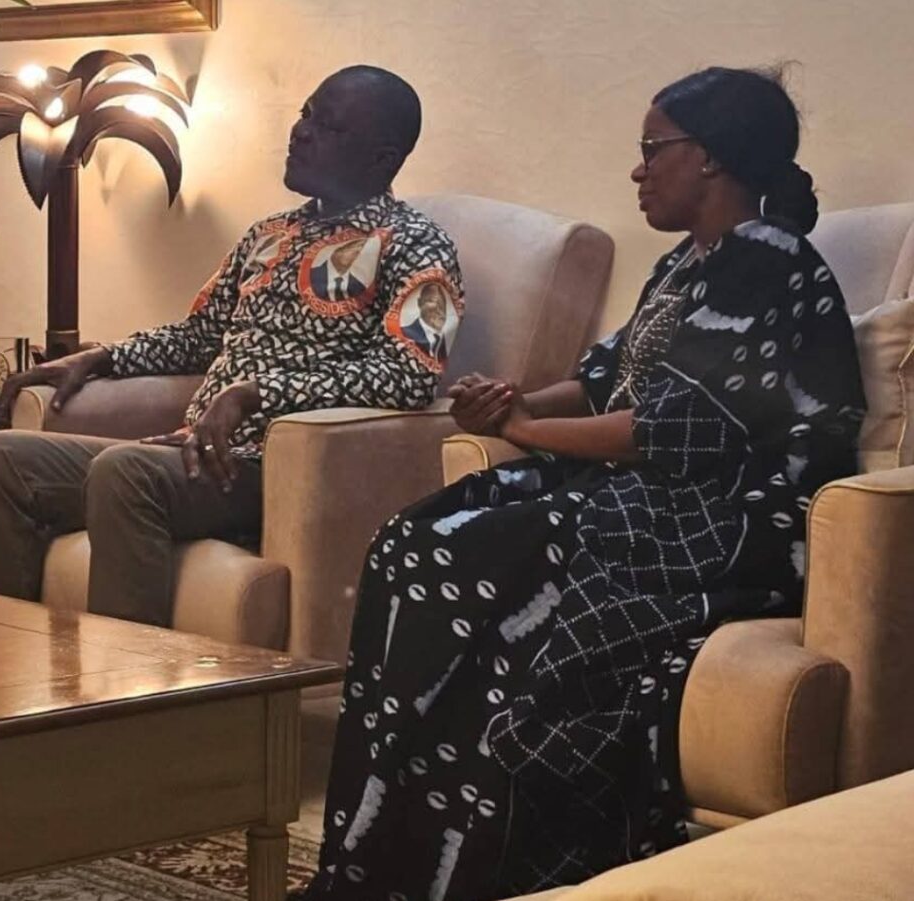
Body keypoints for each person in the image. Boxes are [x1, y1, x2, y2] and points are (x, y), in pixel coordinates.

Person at [302, 67, 865, 901]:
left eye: (652, 149)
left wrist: (525, 429)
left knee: (452, 559)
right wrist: (516, 401)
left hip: (727, 522)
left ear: (709, 157)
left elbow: (674, 428)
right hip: (649, 498)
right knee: (410, 541)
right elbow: (603, 383)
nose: (639, 169)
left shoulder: (768, 260)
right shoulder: (687, 262)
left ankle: (445, 871)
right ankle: (379, 864)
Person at [0, 65, 464, 627]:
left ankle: (124, 679)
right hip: (192, 454)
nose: (301, 132)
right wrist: (104, 357)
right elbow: (200, 335)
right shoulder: (271, 233)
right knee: (3, 459)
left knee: (127, 472)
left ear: (382, 159)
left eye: (330, 127)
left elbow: (410, 374)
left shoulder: (417, 245)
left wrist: (257, 393)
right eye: (306, 114)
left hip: (271, 469)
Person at [401, 281, 452, 366]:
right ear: (420, 303)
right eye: (433, 301)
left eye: (442, 304)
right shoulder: (403, 334)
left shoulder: (448, 344)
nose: (440, 310)